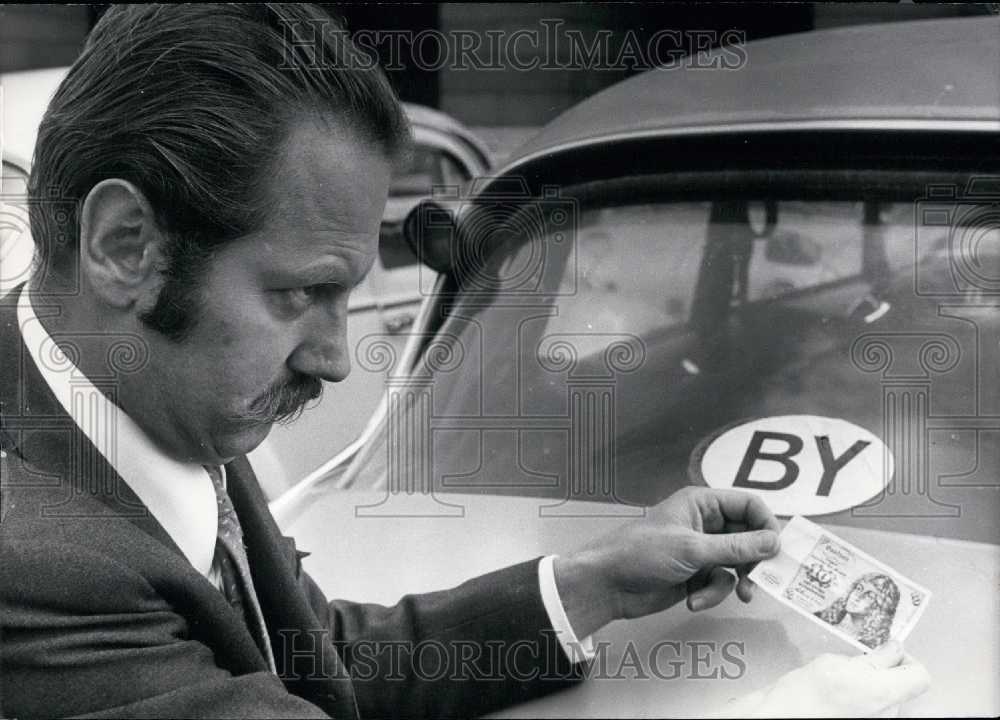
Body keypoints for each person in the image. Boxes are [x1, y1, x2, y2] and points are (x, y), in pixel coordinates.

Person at [0, 5, 930, 718]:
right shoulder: (34, 574)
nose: (331, 359)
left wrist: (596, 579)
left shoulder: (141, 393)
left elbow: (317, 660)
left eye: (346, 292)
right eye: (297, 294)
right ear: (126, 245)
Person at [815, 573, 901, 650]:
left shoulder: (873, 647)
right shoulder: (821, 617)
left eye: (869, 596)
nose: (858, 597)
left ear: (879, 608)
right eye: (859, 589)